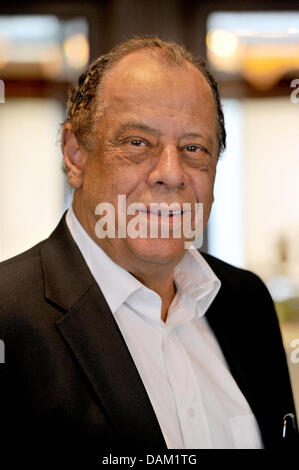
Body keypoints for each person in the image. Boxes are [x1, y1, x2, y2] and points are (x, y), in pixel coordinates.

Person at [0, 36, 297, 463]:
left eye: (194, 148)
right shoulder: (8, 318)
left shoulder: (245, 301)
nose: (171, 174)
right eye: (138, 142)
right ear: (75, 154)